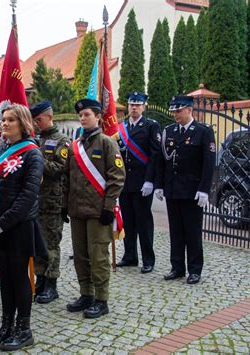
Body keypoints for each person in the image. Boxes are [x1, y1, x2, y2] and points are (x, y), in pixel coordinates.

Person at [0, 103, 45, 350]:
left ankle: (24, 329)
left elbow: (28, 196)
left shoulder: (32, 154)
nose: (4, 124)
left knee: (19, 278)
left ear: (23, 123)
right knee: (5, 279)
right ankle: (6, 325)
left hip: (17, 227)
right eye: (3, 120)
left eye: (11, 120)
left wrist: (2, 223)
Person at [64, 99, 125, 319]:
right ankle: (86, 294)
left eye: (87, 115)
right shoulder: (75, 146)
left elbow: (117, 178)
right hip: (78, 211)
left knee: (98, 256)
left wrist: (109, 207)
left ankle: (101, 299)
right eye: (80, 115)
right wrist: (65, 205)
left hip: (99, 212)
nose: (83, 118)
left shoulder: (107, 143)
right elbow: (68, 178)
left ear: (98, 116)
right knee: (81, 256)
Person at [155, 96, 216, 285]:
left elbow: (209, 163)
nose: (175, 115)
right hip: (173, 190)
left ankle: (195, 269)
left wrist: (204, 189)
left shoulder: (203, 132)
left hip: (192, 191)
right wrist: (159, 184)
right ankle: (177, 267)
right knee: (176, 231)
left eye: (178, 111)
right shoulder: (169, 131)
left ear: (189, 110)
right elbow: (162, 161)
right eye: (173, 111)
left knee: (192, 231)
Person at [29, 101, 70, 304]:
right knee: (38, 244)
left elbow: (59, 167)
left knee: (51, 244)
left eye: (39, 119)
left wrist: (37, 159)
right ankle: (41, 280)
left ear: (49, 116)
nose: (36, 123)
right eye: (34, 120)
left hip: (53, 202)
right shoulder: (36, 140)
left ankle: (52, 285)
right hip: (36, 201)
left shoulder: (62, 140)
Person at [116, 92, 161, 273]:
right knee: (128, 222)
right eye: (131, 104)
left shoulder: (151, 126)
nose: (134, 108)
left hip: (142, 183)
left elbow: (155, 155)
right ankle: (130, 256)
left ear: (144, 107)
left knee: (143, 222)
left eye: (137, 105)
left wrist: (150, 180)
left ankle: (148, 259)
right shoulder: (122, 127)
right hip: (125, 184)